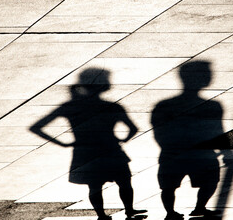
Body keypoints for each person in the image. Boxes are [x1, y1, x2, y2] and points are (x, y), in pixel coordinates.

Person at [30, 68, 146, 220]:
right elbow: (133, 128)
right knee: (124, 181)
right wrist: (122, 139)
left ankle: (101, 215)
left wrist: (63, 143)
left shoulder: (70, 107)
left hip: (85, 151)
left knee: (95, 185)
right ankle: (129, 210)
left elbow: (37, 127)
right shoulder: (112, 106)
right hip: (111, 149)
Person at [151, 61, 228, 220]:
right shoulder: (212, 105)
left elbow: (158, 131)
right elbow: (218, 130)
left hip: (178, 152)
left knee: (170, 185)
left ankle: (177, 211)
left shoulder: (165, 105)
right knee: (206, 180)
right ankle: (192, 208)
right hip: (195, 152)